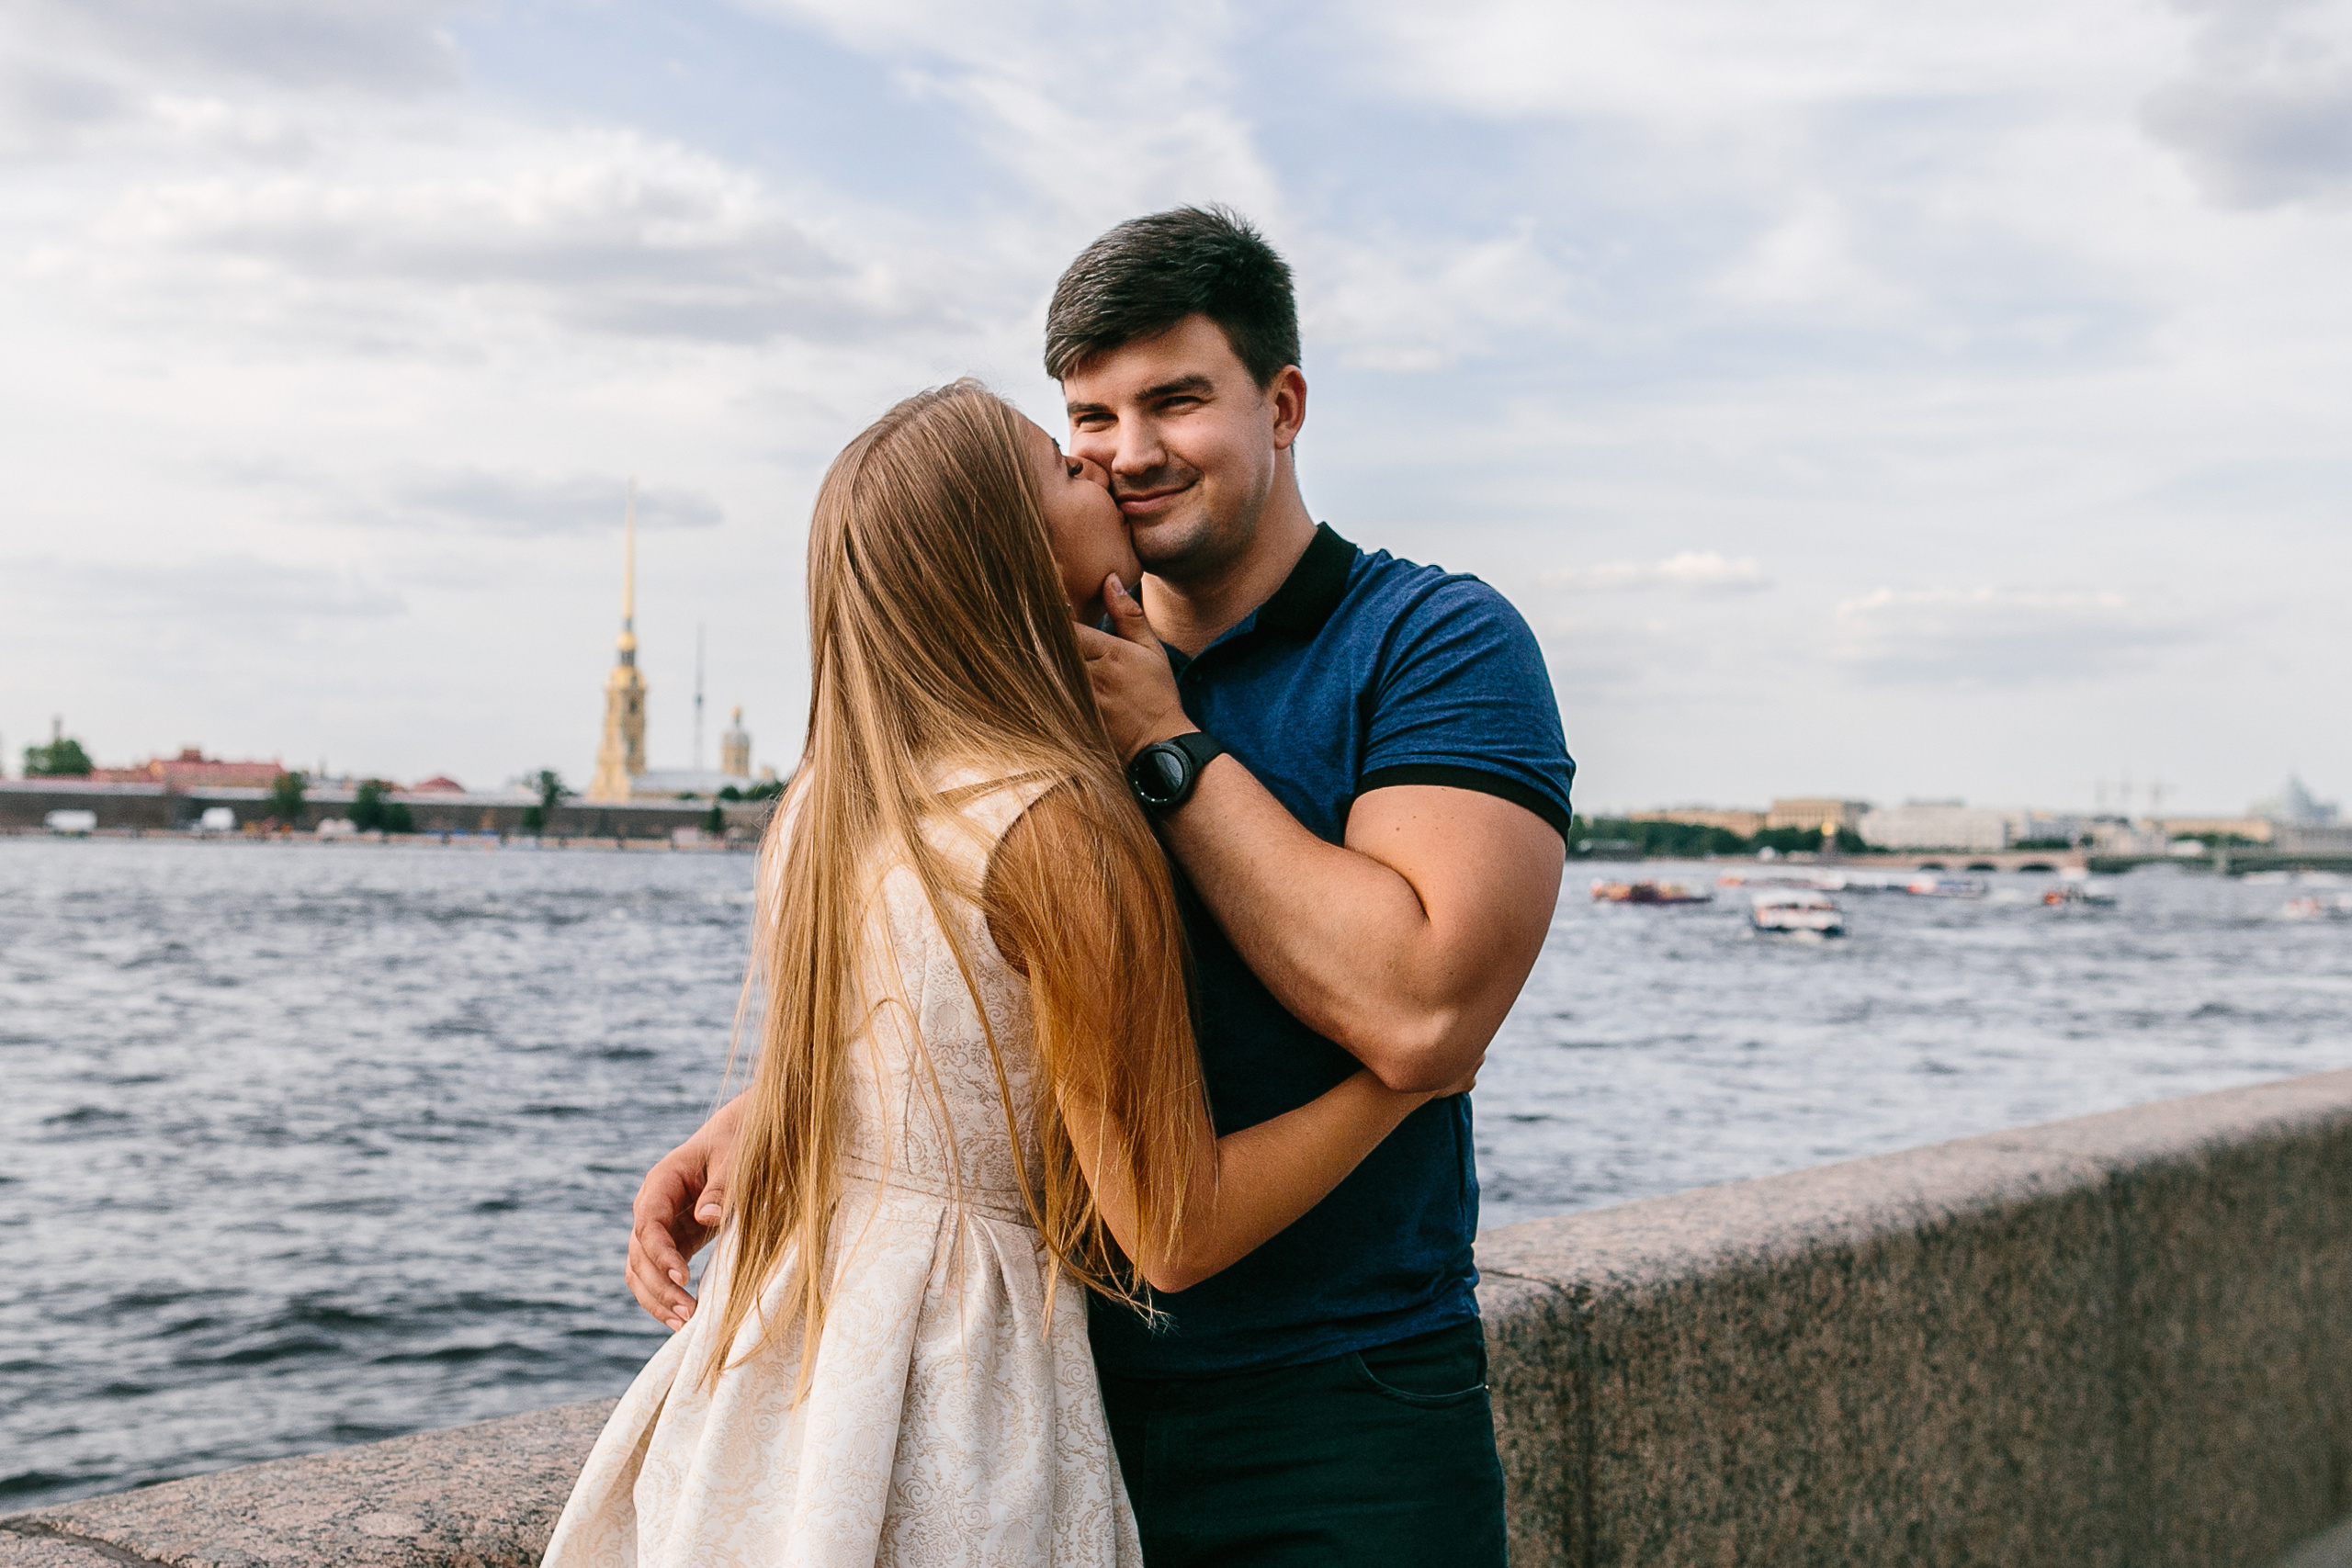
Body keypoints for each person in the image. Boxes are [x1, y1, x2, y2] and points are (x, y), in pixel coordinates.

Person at [630, 208, 1573, 1564]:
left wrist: (1167, 742)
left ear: (1283, 403)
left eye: (1176, 401)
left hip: (1335, 1412)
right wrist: (783, 1108)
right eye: (1088, 417)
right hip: (1049, 1399)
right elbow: (994, 982)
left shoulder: (1430, 642)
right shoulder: (1024, 699)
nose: (1126, 454)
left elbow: (1423, 1015)